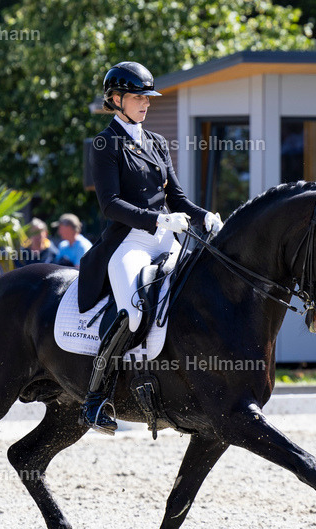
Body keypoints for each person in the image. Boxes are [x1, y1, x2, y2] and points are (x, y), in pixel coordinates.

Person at [77, 61, 222, 434]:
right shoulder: (104, 143)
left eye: (148, 97)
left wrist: (205, 215)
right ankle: (95, 399)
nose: (145, 103)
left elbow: (177, 197)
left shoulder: (156, 142)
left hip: (167, 238)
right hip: (130, 242)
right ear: (116, 99)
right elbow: (109, 204)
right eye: (138, 97)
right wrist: (157, 220)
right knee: (135, 313)